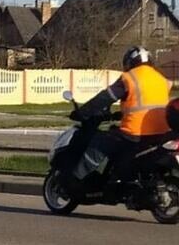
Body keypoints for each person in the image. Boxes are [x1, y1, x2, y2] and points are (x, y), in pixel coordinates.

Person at [71, 46, 173, 184]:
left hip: (134, 133)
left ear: (129, 62)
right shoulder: (162, 79)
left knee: (100, 142)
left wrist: (82, 112)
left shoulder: (129, 78)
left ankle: (77, 178)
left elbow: (105, 98)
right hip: (161, 132)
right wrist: (121, 113)